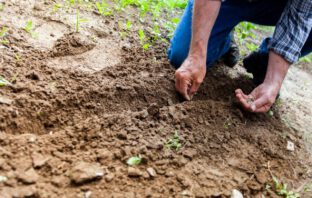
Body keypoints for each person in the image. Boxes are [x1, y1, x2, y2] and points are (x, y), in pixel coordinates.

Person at [168, 0, 312, 113]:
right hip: (229, 2)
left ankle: (265, 62)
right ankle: (224, 40)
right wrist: (196, 55)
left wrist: (273, 82)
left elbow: (300, 15)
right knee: (182, 56)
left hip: (275, 5)